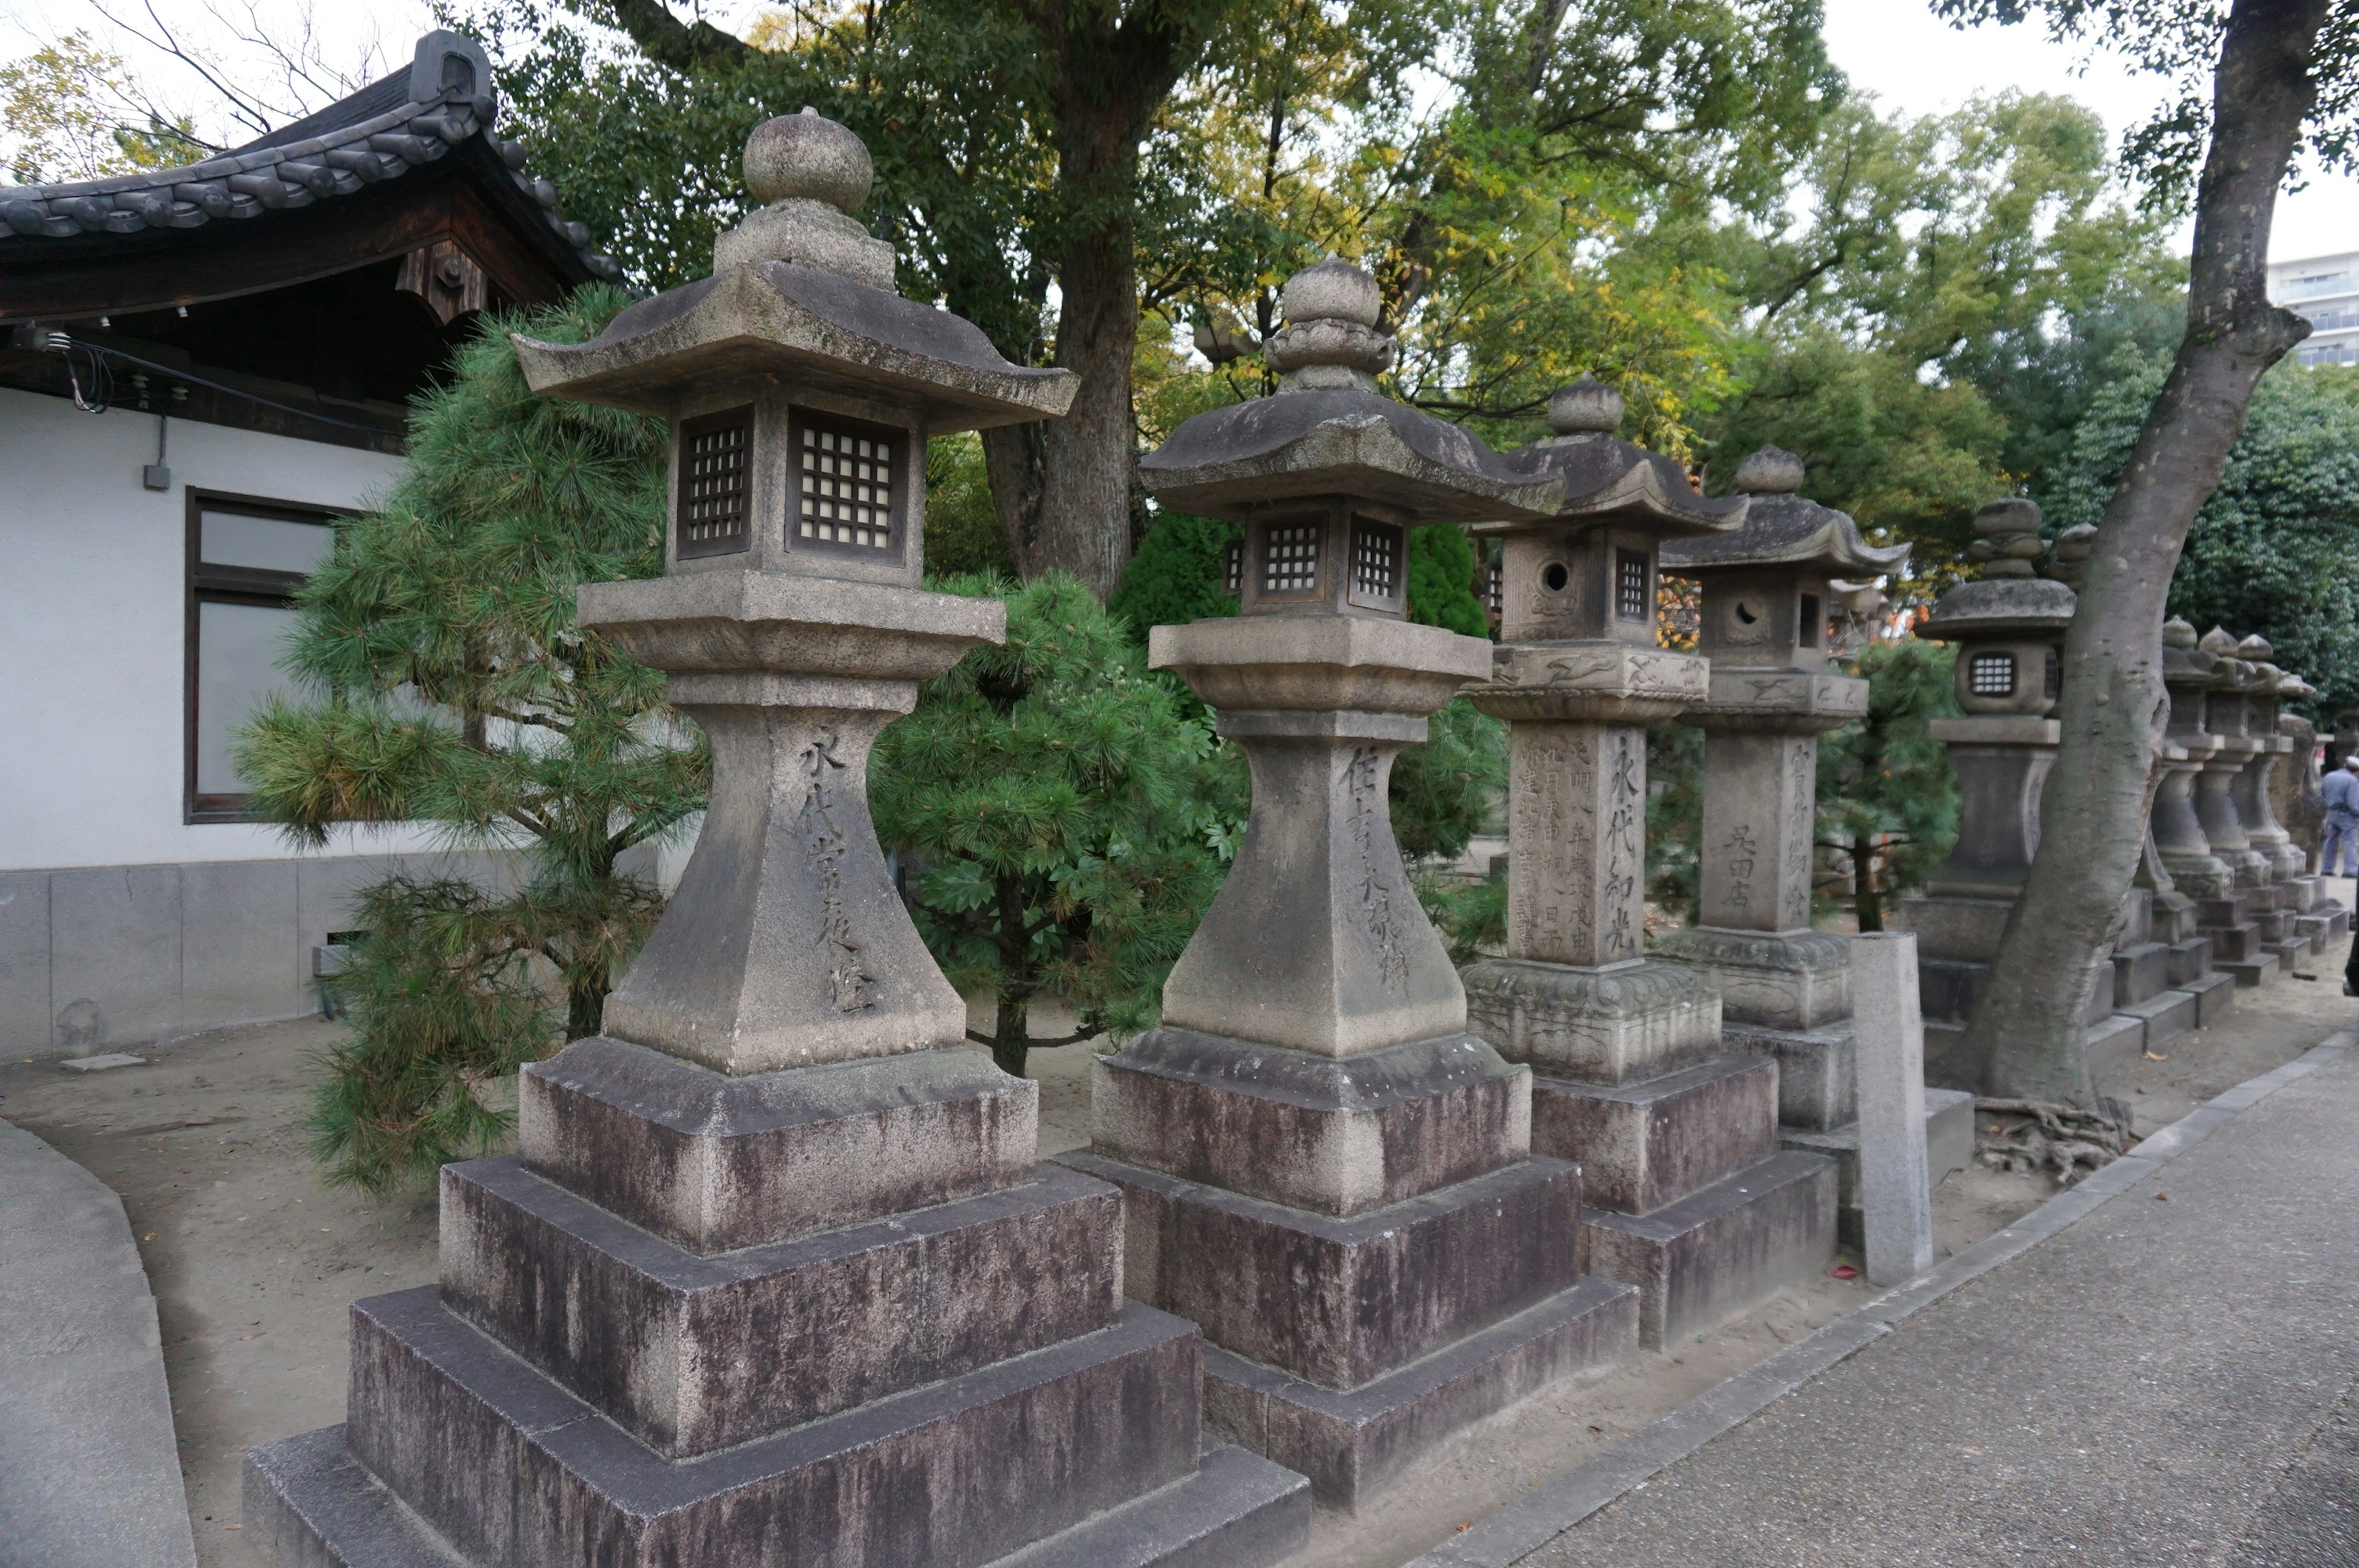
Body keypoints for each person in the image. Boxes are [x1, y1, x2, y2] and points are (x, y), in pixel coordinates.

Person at [2325, 755, 2359, 879]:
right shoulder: (2352, 781)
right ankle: (2350, 870)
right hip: (2346, 815)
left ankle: (2326, 869)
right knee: (2350, 842)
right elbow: (2353, 803)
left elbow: (2321, 795)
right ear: (2356, 771)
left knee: (2331, 841)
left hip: (2330, 812)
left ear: (2345, 765)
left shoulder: (2329, 776)